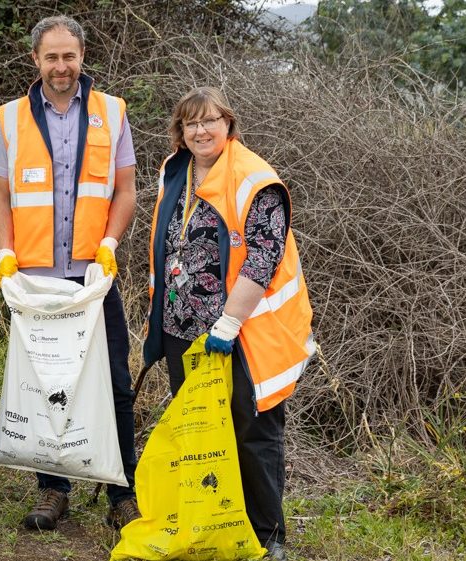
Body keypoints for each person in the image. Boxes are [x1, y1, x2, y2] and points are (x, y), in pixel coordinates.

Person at [142, 86, 315, 561]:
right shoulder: (174, 169)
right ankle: (214, 523)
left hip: (242, 334)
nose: (200, 131)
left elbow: (262, 257)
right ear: (180, 131)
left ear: (228, 125)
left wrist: (229, 322)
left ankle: (268, 535)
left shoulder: (255, 179)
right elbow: (168, 240)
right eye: (190, 123)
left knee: (252, 432)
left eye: (209, 121)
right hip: (182, 328)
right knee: (199, 431)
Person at [0, 15, 140, 531]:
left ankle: (122, 491)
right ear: (36, 60)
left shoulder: (112, 113)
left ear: (82, 56)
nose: (61, 66)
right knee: (47, 386)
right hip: (36, 282)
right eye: (51, 57)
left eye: (68, 56)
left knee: (116, 384)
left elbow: (125, 190)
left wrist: (109, 244)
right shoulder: (10, 118)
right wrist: (5, 253)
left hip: (95, 278)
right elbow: (0, 198)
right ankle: (53, 490)